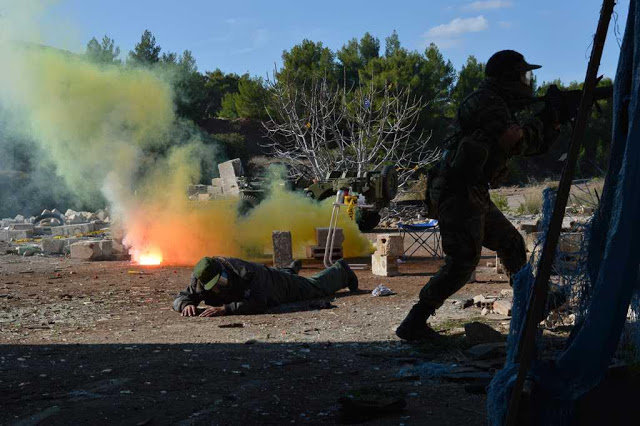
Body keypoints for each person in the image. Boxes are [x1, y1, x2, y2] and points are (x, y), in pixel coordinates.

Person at [396, 50, 561, 341]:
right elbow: (518, 143)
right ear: (509, 78)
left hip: (471, 190)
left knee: (510, 243)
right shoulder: (487, 104)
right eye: (522, 76)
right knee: (462, 261)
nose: (527, 82)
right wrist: (548, 119)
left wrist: (550, 119)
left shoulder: (497, 102)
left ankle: (532, 304)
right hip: (458, 190)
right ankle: (415, 322)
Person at [173, 257, 358, 317]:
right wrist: (185, 305)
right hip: (267, 278)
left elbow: (259, 302)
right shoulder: (201, 277)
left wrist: (226, 309)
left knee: (312, 288)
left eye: (218, 284)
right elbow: (181, 298)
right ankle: (288, 271)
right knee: (287, 278)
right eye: (211, 287)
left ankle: (341, 270)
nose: (215, 290)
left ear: (223, 272)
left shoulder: (245, 273)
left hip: (270, 283)